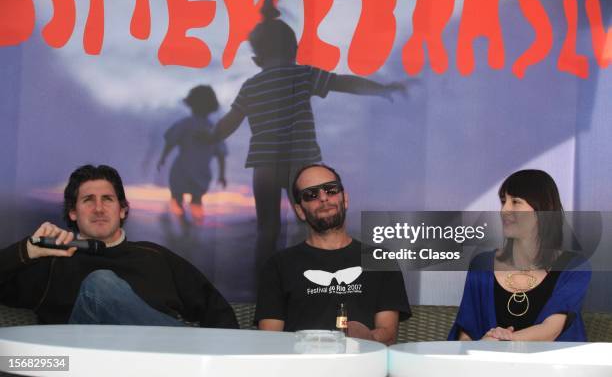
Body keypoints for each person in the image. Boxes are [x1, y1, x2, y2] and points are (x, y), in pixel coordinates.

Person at [211, 0, 409, 269]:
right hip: (302, 163)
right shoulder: (302, 74)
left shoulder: (251, 86)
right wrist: (382, 88)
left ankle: (265, 281)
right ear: (294, 48)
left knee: (267, 230)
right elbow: (343, 83)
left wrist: (209, 138)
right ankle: (306, 275)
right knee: (311, 222)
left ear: (257, 58)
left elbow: (230, 121)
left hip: (265, 164)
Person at [0, 164, 238, 328]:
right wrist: (28, 251)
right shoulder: (52, 261)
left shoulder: (155, 257)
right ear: (72, 213)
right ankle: (181, 351)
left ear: (123, 209)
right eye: (88, 200)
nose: (99, 208)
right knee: (100, 283)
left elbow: (217, 311)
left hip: (151, 365)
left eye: (108, 199)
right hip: (83, 366)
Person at [255, 164, 411, 345]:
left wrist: (364, 338)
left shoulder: (379, 258)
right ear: (299, 211)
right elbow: (269, 341)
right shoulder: (278, 265)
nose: (323, 198)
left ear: (345, 199)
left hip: (361, 366)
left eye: (331, 190)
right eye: (311, 195)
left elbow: (388, 335)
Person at [448, 169, 591, 341]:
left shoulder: (574, 267)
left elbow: (552, 329)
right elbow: (466, 332)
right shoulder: (482, 264)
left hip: (550, 367)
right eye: (503, 201)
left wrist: (501, 341)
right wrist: (481, 347)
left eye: (515, 202)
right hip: (489, 366)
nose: (504, 210)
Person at [157, 85, 227, 225]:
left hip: (186, 170)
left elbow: (170, 142)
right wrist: (221, 175)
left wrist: (163, 157)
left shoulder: (200, 126)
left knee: (182, 198)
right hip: (192, 171)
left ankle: (188, 224)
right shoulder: (210, 128)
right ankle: (190, 224)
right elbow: (221, 155)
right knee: (190, 199)